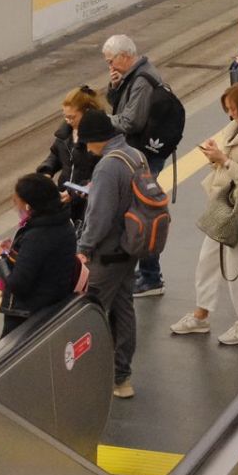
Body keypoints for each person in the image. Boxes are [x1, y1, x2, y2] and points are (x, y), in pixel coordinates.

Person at [172, 82, 238, 345]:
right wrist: (215, 156)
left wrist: (223, 159)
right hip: (227, 203)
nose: (230, 114)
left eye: (233, 108)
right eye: (228, 109)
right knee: (208, 259)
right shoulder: (237, 127)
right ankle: (201, 314)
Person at [73, 109, 143, 397]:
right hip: (131, 246)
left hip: (108, 251)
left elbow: (100, 217)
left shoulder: (107, 167)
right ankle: (121, 376)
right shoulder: (134, 155)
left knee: (90, 312)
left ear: (97, 139)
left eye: (87, 142)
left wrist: (83, 248)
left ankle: (90, 376)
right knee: (124, 309)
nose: (87, 149)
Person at [104, 34, 170, 299]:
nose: (110, 66)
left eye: (111, 61)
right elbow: (123, 107)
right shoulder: (135, 75)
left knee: (144, 214)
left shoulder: (142, 80)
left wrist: (103, 121)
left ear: (124, 56)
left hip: (145, 156)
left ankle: (152, 277)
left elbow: (131, 122)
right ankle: (146, 273)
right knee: (141, 212)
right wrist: (114, 88)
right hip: (143, 153)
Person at [0, 175, 82, 335]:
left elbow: (18, 284)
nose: (15, 204)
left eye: (16, 201)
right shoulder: (64, 223)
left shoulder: (37, 235)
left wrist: (1, 258)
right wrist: (14, 253)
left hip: (28, 316)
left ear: (29, 205)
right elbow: (41, 261)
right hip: (53, 305)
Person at [36, 86, 104, 223]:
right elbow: (55, 154)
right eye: (65, 117)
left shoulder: (97, 140)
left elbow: (101, 176)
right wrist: (46, 171)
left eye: (72, 117)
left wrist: (74, 194)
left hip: (87, 203)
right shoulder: (65, 134)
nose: (67, 121)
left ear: (87, 113)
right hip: (64, 198)